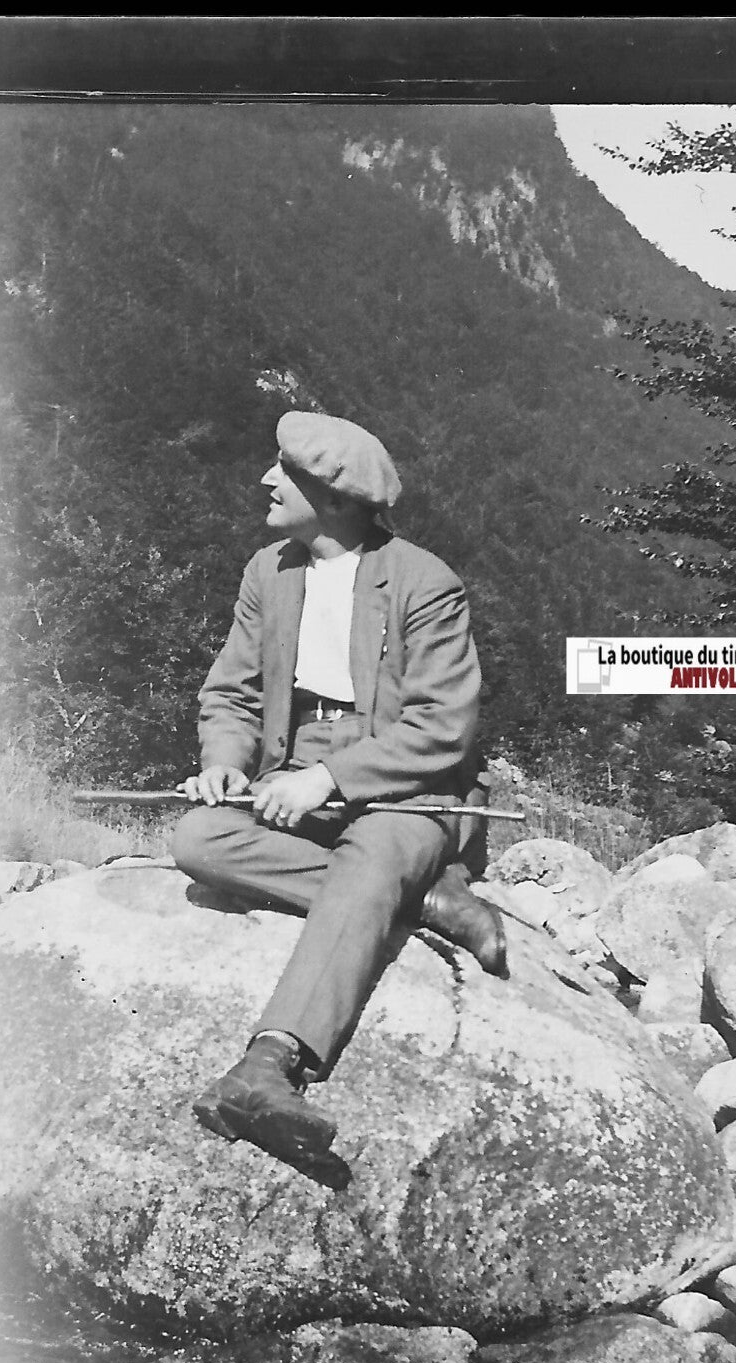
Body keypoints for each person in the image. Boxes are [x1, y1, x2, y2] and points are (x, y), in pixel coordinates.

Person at [173, 412, 506, 1191]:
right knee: (198, 840)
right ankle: (414, 897)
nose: (265, 480)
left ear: (333, 497)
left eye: (282, 472)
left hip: (405, 791)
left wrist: (328, 781)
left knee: (381, 849)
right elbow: (232, 694)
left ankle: (269, 1065)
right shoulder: (269, 572)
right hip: (295, 777)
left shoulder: (424, 582)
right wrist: (225, 765)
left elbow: (443, 728)